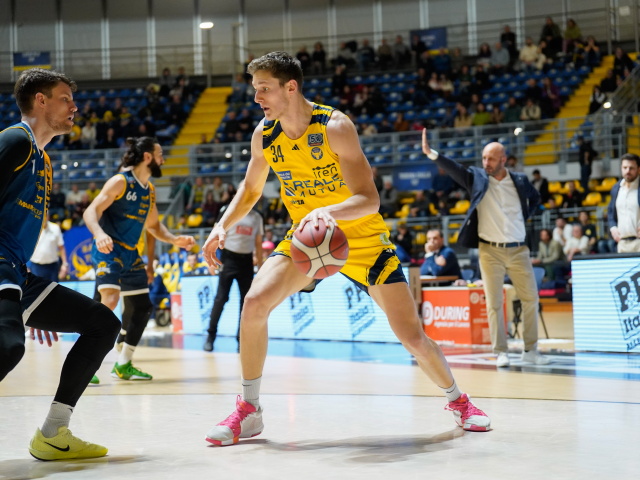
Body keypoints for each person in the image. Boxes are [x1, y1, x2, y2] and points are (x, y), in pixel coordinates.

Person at [201, 52, 491, 446]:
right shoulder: (264, 136)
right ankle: (249, 410)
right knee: (254, 304)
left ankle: (459, 402)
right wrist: (221, 224)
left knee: (412, 338)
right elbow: (251, 189)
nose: (257, 97)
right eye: (255, 89)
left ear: (291, 87)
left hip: (363, 242)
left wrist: (327, 211)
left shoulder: (335, 127)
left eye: (264, 88)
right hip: (307, 240)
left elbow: (369, 199)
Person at [0, 68, 121, 460]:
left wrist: (28, 301)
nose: (74, 106)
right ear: (40, 100)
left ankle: (53, 433)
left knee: (103, 324)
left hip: (17, 273)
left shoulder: (44, 161)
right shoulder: (15, 140)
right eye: (65, 98)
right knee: (7, 347)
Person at [422, 128, 549, 368]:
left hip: (519, 249)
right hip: (490, 251)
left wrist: (523, 217)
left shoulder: (520, 180)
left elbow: (535, 199)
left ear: (503, 160)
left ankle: (531, 350)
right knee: (493, 302)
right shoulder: (478, 178)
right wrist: (432, 154)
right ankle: (500, 351)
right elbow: (456, 169)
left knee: (531, 298)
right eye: (483, 158)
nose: (486, 163)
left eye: (491, 159)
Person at [83, 137, 195, 381]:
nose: (163, 160)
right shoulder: (120, 181)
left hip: (131, 253)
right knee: (109, 301)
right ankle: (85, 362)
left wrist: (174, 239)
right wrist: (99, 234)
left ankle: (123, 364)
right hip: (109, 249)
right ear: (147, 157)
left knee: (143, 307)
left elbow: (154, 226)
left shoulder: (149, 190)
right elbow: (91, 211)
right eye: (160, 154)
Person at [204, 207, 264, 352]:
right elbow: (215, 234)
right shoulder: (228, 210)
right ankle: (210, 337)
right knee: (221, 298)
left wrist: (261, 267)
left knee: (246, 302)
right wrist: (209, 261)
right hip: (228, 259)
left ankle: (241, 340)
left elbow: (258, 242)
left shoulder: (257, 217)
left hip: (247, 261)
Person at [608, 153, 640, 253]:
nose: (628, 171)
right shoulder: (616, 188)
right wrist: (613, 227)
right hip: (622, 243)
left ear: (638, 169)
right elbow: (611, 212)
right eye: (625, 167)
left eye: (631, 168)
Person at [27, 212, 68, 282]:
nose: (44, 218)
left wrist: (65, 264)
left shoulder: (55, 228)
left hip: (52, 266)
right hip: (36, 266)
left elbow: (61, 247)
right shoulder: (32, 228)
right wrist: (25, 266)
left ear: (48, 216)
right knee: (38, 288)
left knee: (54, 287)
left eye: (45, 215)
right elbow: (27, 248)